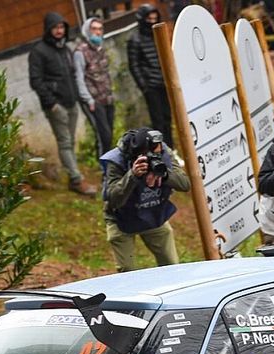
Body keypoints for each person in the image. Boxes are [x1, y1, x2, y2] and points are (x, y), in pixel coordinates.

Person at [99, 128, 189, 271]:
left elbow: (185, 184)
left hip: (153, 214)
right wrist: (132, 176)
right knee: (127, 271)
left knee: (172, 266)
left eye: (158, 153)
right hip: (122, 219)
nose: (155, 156)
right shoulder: (117, 160)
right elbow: (114, 200)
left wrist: (165, 174)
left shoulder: (164, 152)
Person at [29, 12, 97, 197]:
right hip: (56, 106)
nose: (59, 31)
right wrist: (51, 104)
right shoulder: (39, 51)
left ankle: (73, 176)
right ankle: (76, 179)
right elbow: (36, 81)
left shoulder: (65, 49)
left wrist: (78, 97)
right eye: (55, 27)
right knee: (65, 142)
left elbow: (73, 75)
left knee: (70, 141)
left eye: (62, 27)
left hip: (71, 103)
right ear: (48, 29)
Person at [128, 5, 173, 147]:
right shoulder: (135, 40)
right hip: (151, 86)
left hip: (164, 83)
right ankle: (162, 149)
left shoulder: (160, 35)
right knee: (158, 120)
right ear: (142, 19)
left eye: (155, 18)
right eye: (149, 19)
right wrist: (144, 87)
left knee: (168, 118)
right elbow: (134, 65)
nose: (152, 21)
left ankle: (172, 148)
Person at [74, 17, 116, 161]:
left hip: (108, 98)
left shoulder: (101, 49)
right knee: (104, 136)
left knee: (110, 133)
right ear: (87, 31)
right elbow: (79, 78)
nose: (98, 32)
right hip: (95, 101)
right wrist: (89, 100)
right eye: (94, 29)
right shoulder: (80, 52)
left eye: (100, 29)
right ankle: (105, 167)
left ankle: (111, 167)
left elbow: (105, 73)